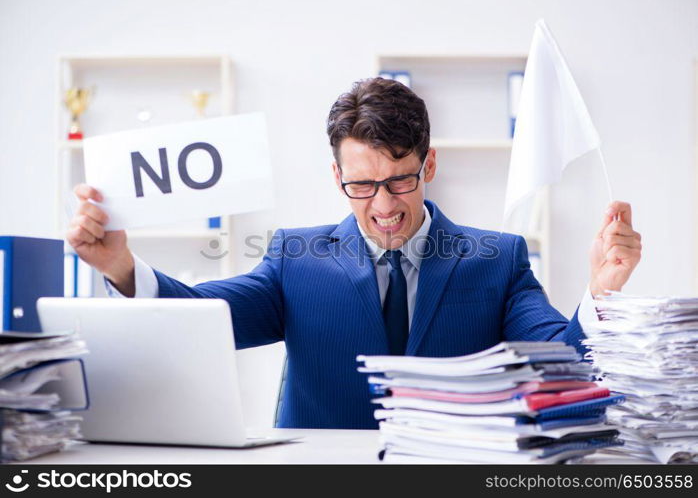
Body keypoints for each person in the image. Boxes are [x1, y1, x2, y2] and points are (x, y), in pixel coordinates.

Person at [67, 78, 642, 429]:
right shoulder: (296, 257)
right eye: (362, 185)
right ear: (337, 175)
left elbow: (558, 361)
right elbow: (203, 318)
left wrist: (599, 293)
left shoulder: (498, 258)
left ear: (430, 165)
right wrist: (121, 266)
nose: (383, 205)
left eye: (400, 180)